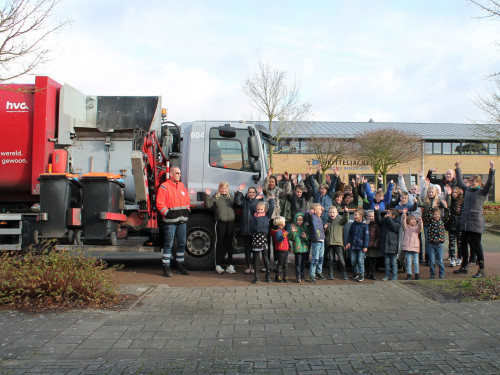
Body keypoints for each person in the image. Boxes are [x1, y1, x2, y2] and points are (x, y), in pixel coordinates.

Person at [453, 161, 495, 278]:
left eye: (474, 181)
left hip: (476, 223)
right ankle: (464, 266)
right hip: (465, 223)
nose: (472, 183)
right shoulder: (467, 190)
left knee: (476, 246)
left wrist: (491, 170)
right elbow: (460, 182)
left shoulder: (481, 192)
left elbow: (490, 184)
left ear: (478, 183)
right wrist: (457, 168)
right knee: (462, 245)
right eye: (471, 181)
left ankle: (481, 268)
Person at [156, 166, 191, 277]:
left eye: (180, 173)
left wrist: (187, 210)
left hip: (182, 221)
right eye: (177, 173)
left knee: (181, 243)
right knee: (168, 244)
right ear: (171, 174)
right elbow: (160, 203)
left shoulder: (181, 186)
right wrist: (168, 213)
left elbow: (187, 201)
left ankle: (180, 265)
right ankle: (166, 267)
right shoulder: (164, 187)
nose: (179, 175)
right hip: (170, 222)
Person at [205, 181, 236, 274]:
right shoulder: (216, 197)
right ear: (219, 189)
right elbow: (208, 205)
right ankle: (218, 265)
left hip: (230, 223)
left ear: (228, 189)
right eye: (222, 188)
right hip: (220, 223)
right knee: (220, 244)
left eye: (225, 188)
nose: (223, 190)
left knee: (230, 244)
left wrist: (239, 193)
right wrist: (207, 195)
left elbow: (238, 203)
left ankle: (230, 265)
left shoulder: (231, 197)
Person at [234, 183, 261, 274]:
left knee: (255, 249)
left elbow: (257, 206)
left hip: (254, 229)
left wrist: (259, 196)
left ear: (256, 193)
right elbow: (237, 202)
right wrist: (239, 191)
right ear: (247, 193)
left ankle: (254, 266)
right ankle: (248, 266)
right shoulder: (244, 201)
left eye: (253, 192)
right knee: (247, 249)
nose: (252, 194)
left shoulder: (257, 201)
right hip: (246, 229)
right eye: (250, 192)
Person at [250, 199, 275, 283]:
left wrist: (271, 200)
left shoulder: (266, 216)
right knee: (256, 259)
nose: (259, 211)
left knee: (265, 258)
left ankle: (268, 276)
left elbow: (271, 207)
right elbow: (252, 206)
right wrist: (256, 199)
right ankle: (256, 277)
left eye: (261, 209)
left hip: (263, 239)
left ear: (264, 210)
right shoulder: (254, 215)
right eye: (258, 209)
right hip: (255, 239)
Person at [375, 207, 401, 281]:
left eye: (388, 214)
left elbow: (393, 226)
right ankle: (387, 275)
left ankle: (395, 276)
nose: (386, 215)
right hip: (385, 245)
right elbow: (379, 222)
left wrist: (388, 218)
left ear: (393, 216)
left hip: (393, 245)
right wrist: (376, 211)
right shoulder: (385, 221)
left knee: (393, 262)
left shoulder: (397, 223)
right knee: (386, 262)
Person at [324, 206, 349, 280]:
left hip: (338, 243)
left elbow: (346, 219)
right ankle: (330, 274)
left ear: (337, 213)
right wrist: (324, 228)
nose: (332, 214)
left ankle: (344, 273)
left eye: (333, 212)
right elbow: (325, 233)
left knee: (341, 259)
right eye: (330, 212)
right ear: (328, 213)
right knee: (330, 260)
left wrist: (346, 212)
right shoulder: (327, 222)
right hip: (330, 244)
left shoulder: (340, 220)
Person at [345, 208, 369, 282]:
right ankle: (356, 273)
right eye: (354, 215)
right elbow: (350, 234)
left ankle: (361, 274)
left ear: (361, 216)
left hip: (361, 247)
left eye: (356, 215)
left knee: (360, 261)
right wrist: (348, 242)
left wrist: (365, 246)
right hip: (353, 246)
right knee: (353, 260)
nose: (354, 216)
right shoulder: (353, 224)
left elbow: (366, 237)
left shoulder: (364, 225)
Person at [305, 203, 326, 283]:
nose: (321, 211)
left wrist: (321, 209)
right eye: (320, 210)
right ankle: (312, 275)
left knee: (321, 258)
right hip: (316, 240)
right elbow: (306, 216)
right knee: (315, 259)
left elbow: (321, 213)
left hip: (322, 240)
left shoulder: (318, 217)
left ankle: (319, 272)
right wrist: (309, 212)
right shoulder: (312, 216)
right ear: (315, 211)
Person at [401, 209, 423, 280]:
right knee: (409, 263)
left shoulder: (416, 228)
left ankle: (417, 274)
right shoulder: (406, 228)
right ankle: (409, 274)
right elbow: (403, 222)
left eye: (414, 219)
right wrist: (404, 215)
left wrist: (420, 222)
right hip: (408, 248)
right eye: (411, 219)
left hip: (415, 247)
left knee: (416, 262)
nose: (414, 221)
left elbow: (420, 228)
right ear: (408, 221)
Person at [444, 185, 463, 267]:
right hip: (451, 224)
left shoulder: (461, 201)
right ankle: (452, 258)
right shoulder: (450, 201)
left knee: (459, 243)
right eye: (453, 192)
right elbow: (447, 211)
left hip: (459, 224)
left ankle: (459, 257)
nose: (454, 194)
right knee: (451, 243)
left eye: (456, 192)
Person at [288, 212, 310, 283]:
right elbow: (291, 238)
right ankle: (298, 276)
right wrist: (293, 232)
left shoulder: (305, 228)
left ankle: (302, 275)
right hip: (297, 249)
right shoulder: (294, 228)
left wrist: (305, 237)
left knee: (303, 263)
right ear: (295, 220)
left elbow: (308, 238)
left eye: (301, 220)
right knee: (298, 263)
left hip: (304, 248)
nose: (299, 222)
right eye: (298, 220)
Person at [427, 207, 447, 279]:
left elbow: (448, 216)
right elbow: (427, 214)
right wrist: (432, 206)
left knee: (440, 260)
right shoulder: (430, 221)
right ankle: (432, 274)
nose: (436, 216)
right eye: (435, 214)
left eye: (438, 214)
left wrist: (445, 207)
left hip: (439, 244)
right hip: (431, 244)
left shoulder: (442, 221)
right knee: (432, 261)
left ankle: (441, 274)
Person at [270, 216, 290, 282]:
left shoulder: (282, 231)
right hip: (281, 250)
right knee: (280, 264)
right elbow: (279, 239)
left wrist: (289, 247)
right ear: (281, 224)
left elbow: (286, 241)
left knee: (285, 264)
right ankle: (277, 276)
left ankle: (285, 276)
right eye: (284, 222)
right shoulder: (279, 232)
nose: (285, 223)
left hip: (285, 249)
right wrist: (283, 236)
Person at [365, 210, 380, 280]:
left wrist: (375, 243)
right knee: (367, 260)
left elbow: (378, 235)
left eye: (372, 216)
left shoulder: (377, 225)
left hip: (373, 245)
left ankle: (373, 273)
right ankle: (368, 273)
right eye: (369, 216)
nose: (371, 217)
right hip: (367, 245)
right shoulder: (365, 225)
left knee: (373, 260)